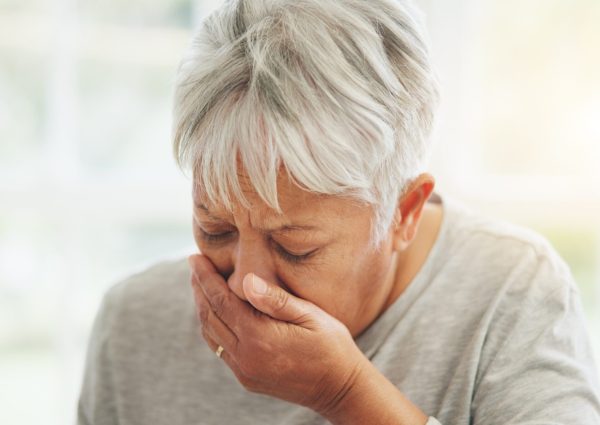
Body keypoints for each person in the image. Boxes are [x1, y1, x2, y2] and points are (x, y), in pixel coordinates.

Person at [77, 0, 600, 424]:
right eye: (216, 228)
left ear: (404, 212)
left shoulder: (512, 290)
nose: (246, 284)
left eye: (294, 246)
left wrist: (345, 392)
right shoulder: (131, 326)